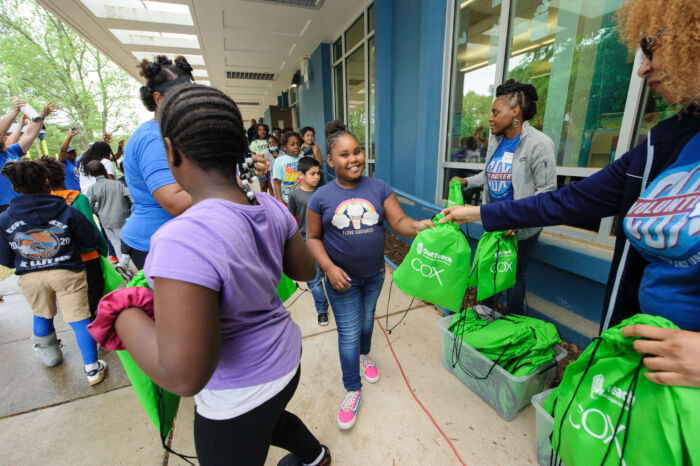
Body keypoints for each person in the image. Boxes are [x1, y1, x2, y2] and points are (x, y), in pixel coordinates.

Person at [442, 0, 700, 388]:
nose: (643, 67)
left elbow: (546, 189)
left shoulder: (540, 143)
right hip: (638, 358)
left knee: (515, 284)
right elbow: (566, 201)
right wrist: (477, 213)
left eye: (651, 48)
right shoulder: (662, 142)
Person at [97, 84, 330, 465]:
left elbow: (185, 376)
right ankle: (316, 457)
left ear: (171, 152)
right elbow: (304, 270)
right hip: (286, 359)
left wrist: (121, 313)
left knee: (256, 426)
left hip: (236, 394)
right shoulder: (268, 206)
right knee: (270, 421)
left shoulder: (180, 239)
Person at [306, 120, 434, 429]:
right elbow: (311, 238)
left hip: (374, 275)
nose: (353, 159)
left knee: (366, 321)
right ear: (331, 160)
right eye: (344, 154)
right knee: (348, 333)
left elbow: (399, 221)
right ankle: (352, 389)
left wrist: (416, 227)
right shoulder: (320, 197)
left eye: (358, 152)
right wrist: (329, 268)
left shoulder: (379, 188)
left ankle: (365, 355)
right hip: (342, 281)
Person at [452, 79, 556, 315]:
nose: (490, 118)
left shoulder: (540, 144)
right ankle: (485, 317)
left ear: (516, 111)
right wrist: (467, 181)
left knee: (513, 277)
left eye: (495, 112)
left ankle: (514, 325)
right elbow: (490, 173)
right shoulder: (496, 141)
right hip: (496, 220)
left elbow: (547, 192)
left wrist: (519, 221)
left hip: (521, 227)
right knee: (489, 269)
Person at [0, 160, 107, 385]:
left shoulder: (4, 219)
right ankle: (92, 369)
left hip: (30, 276)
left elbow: (4, 257)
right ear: (47, 182)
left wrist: (24, 261)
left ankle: (51, 357)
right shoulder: (67, 211)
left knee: (41, 313)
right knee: (79, 319)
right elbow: (91, 239)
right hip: (67, 272)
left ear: (15, 189)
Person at [121, 55, 194, 269]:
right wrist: (226, 184)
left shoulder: (174, 133)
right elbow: (174, 202)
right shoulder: (153, 139)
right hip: (154, 243)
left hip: (176, 238)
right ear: (159, 99)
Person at [40, 157, 109, 319]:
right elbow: (91, 229)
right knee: (94, 294)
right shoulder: (77, 198)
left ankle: (83, 323)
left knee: (75, 300)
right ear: (63, 176)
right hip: (88, 257)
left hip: (61, 260)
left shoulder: (44, 203)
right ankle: (96, 323)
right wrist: (102, 249)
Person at [287, 156, 329, 326]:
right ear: (301, 175)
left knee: (330, 273)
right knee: (314, 278)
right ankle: (322, 310)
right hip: (307, 240)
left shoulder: (324, 192)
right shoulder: (295, 194)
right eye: (313, 174)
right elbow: (290, 218)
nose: (317, 177)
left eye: (318, 173)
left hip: (327, 238)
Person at [0, 100, 54, 212]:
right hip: (3, 207)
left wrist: (41, 116)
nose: (3, 135)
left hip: (24, 201)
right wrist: (15, 111)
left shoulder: (12, 151)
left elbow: (30, 134)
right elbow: (1, 130)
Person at [85, 161, 134, 277]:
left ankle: (125, 270)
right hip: (121, 218)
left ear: (90, 174)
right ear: (104, 170)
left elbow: (88, 205)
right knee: (126, 243)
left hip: (105, 220)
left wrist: (97, 210)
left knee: (116, 244)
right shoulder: (118, 184)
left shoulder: (92, 188)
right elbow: (131, 198)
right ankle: (124, 263)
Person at [272, 130, 303, 204]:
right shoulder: (279, 161)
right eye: (292, 144)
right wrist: (280, 201)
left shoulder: (303, 158)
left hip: (302, 199)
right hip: (286, 200)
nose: (296, 147)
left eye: (298, 144)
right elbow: (277, 183)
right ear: (285, 147)